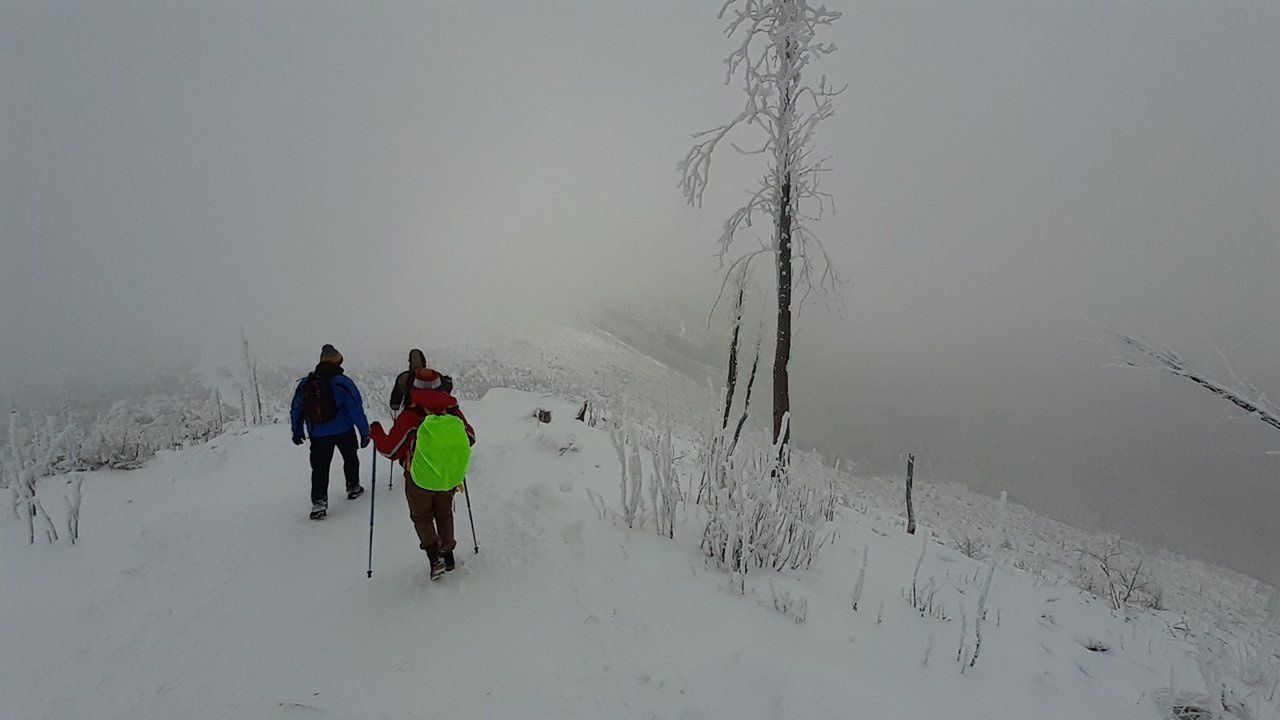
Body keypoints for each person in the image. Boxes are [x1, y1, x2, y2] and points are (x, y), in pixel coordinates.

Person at [371, 367, 475, 580]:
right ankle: (449, 555)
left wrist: (377, 433)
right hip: (448, 476)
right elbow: (470, 438)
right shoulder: (452, 411)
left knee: (422, 516)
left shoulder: (412, 414)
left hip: (419, 477)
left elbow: (390, 450)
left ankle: (434, 556)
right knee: (444, 513)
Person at [290, 344, 371, 520]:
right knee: (350, 458)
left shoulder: (307, 383)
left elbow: (296, 408)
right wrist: (365, 432)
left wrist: (296, 431)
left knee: (319, 468)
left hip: (318, 434)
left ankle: (319, 503)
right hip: (344, 430)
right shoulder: (343, 383)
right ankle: (353, 487)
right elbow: (355, 409)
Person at [388, 349, 454, 413]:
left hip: (413, 410)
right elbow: (447, 388)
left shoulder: (403, 377)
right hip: (436, 410)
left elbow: (396, 397)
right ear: (424, 362)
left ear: (410, 363)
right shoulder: (434, 374)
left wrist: (395, 406)